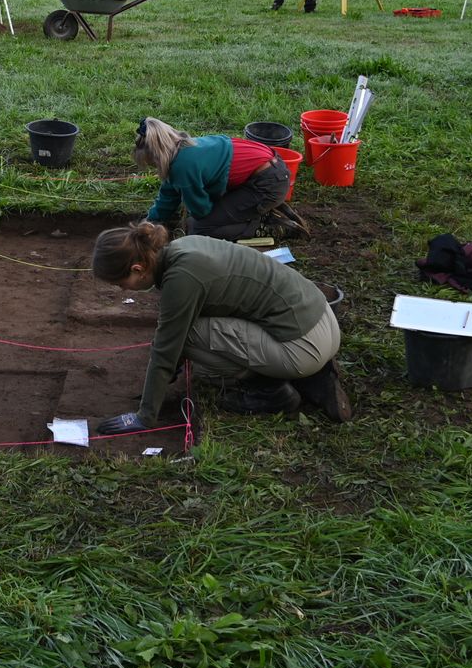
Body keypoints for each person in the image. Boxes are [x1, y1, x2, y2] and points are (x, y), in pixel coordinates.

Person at [91, 220, 351, 434]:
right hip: (323, 320)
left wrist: (145, 416)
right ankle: (311, 376)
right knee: (192, 332)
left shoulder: (182, 278)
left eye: (120, 284)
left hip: (303, 344)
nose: (122, 290)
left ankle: (271, 391)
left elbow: (167, 347)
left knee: (190, 340)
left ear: (138, 268)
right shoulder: (183, 247)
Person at [136, 117, 305, 242]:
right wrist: (149, 222)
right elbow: (168, 195)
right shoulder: (183, 148)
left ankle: (268, 227)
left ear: (158, 155)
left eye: (153, 163)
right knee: (200, 219)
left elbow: (201, 210)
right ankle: (256, 208)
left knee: (198, 228)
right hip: (268, 173)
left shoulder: (183, 166)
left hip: (268, 184)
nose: (154, 167)